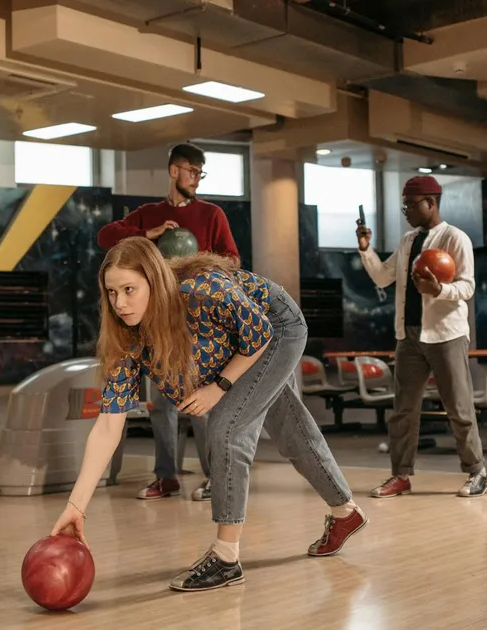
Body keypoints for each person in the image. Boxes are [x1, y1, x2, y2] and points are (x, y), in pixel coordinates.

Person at [50, 237, 365, 592]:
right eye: (111, 292)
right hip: (239, 343)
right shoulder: (127, 335)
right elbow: (109, 424)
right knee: (290, 430)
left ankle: (226, 558)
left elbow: (259, 334)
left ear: (155, 281)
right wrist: (76, 506)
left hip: (275, 327)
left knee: (228, 430)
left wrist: (218, 387)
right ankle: (345, 513)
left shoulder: (201, 291)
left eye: (129, 289)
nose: (120, 303)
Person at [96, 142, 239, 502]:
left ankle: (215, 477)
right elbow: (105, 237)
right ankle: (167, 477)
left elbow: (233, 260)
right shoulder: (149, 214)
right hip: (158, 322)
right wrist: (149, 235)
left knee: (199, 403)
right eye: (193, 172)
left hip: (199, 323)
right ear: (175, 171)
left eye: (200, 174)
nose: (197, 180)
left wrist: (198, 266)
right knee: (161, 404)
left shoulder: (211, 214)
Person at [356, 175, 487, 499]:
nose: (406, 211)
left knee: (458, 407)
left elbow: (468, 287)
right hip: (409, 336)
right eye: (404, 206)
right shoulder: (406, 241)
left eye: (411, 205)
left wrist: (439, 289)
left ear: (431, 202)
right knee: (403, 410)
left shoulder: (456, 239)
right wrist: (365, 249)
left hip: (446, 335)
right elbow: (383, 277)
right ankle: (400, 475)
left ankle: (477, 472)